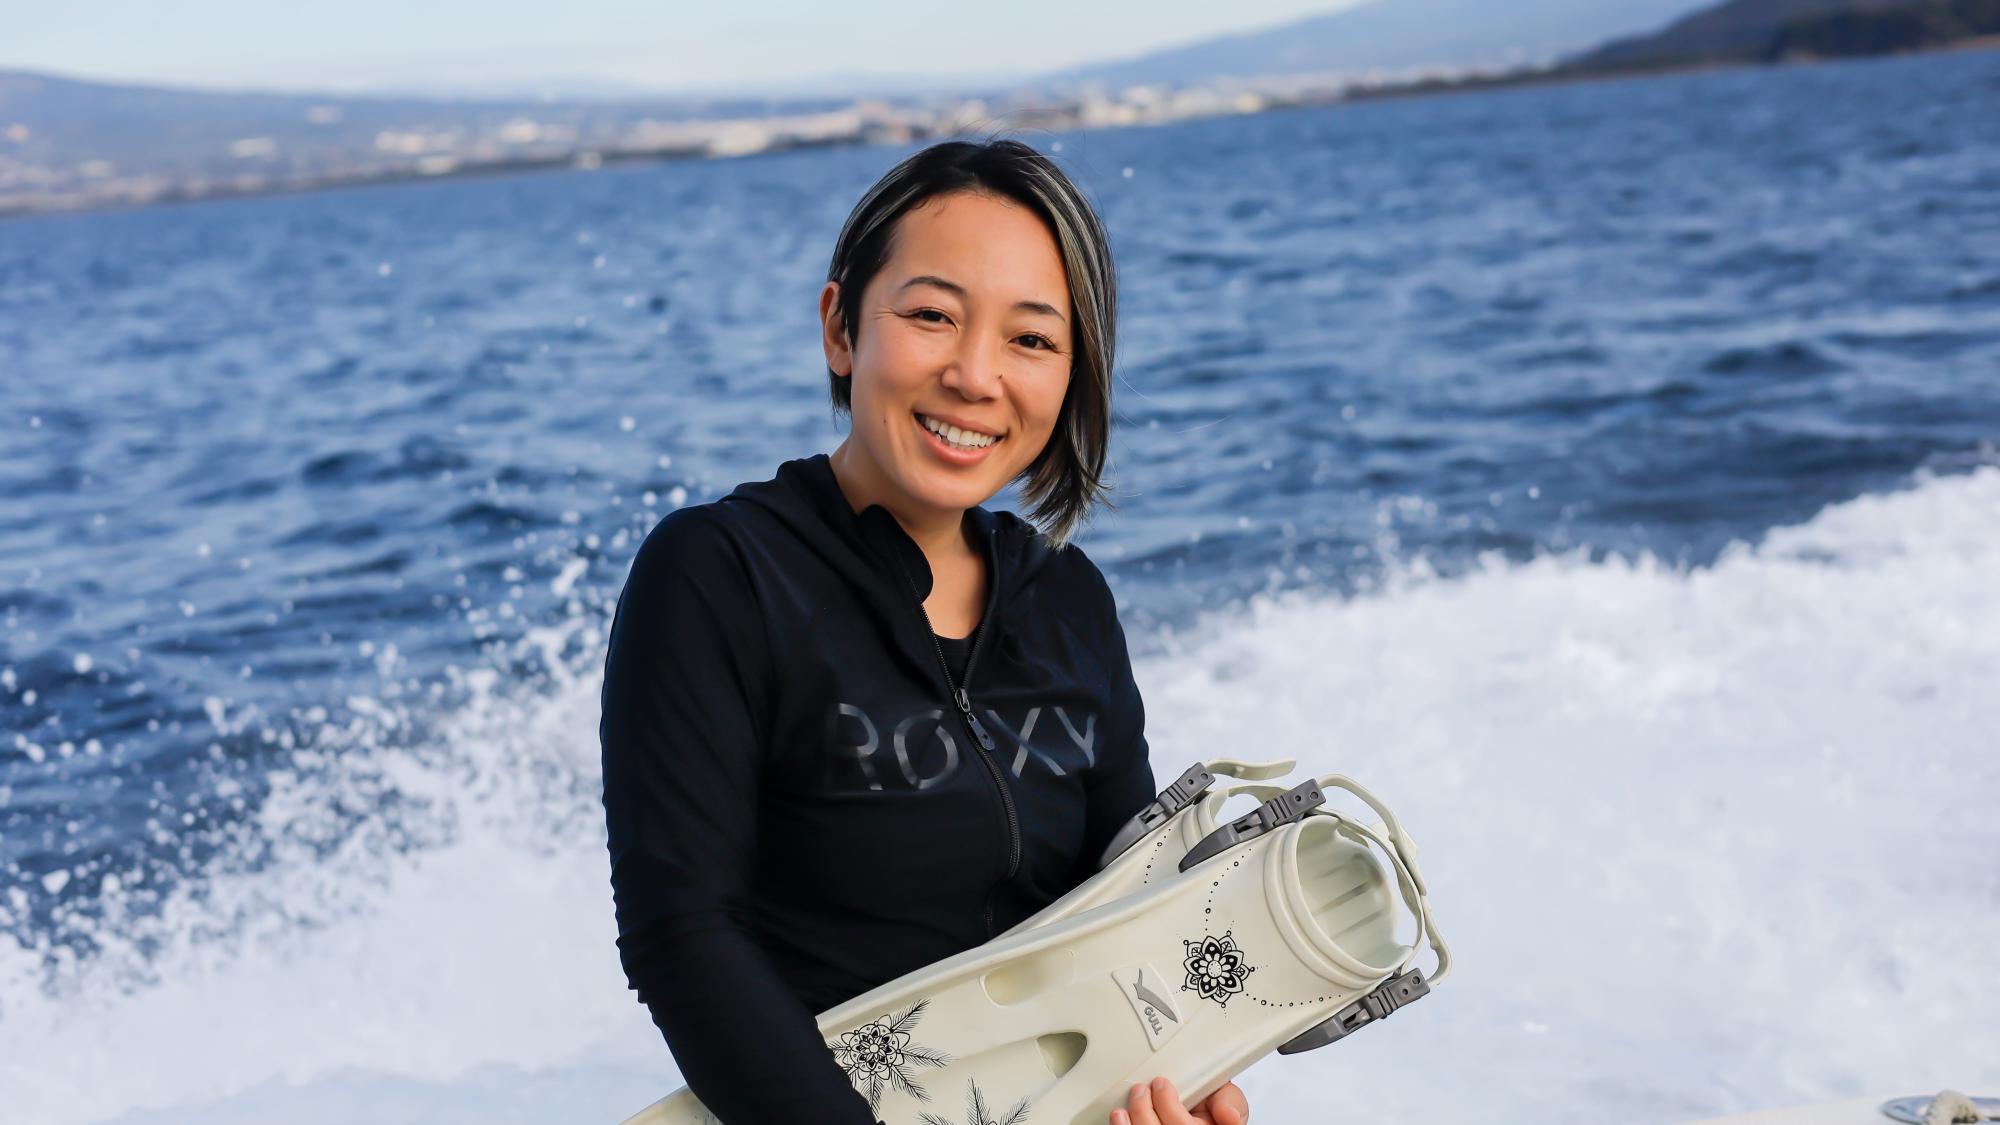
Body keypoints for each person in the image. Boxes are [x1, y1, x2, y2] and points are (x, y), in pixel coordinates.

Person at [599, 138, 1251, 1125]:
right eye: (931, 316)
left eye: (1030, 340)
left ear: (1073, 373)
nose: (974, 375)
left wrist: (1178, 1083)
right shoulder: (718, 576)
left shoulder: (1069, 604)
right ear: (839, 328)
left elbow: (1130, 925)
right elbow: (681, 933)